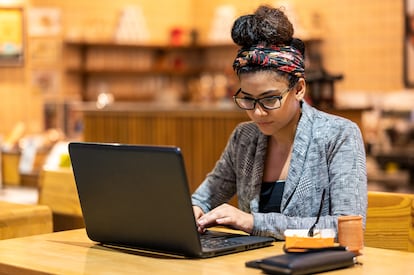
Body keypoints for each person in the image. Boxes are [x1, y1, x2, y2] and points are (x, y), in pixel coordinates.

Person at [191, 5, 367, 240]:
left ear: (299, 89)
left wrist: (254, 222)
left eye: (270, 99)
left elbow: (348, 228)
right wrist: (195, 211)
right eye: (248, 99)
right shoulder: (245, 138)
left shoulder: (338, 135)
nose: (258, 113)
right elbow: (204, 198)